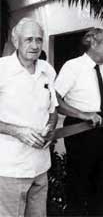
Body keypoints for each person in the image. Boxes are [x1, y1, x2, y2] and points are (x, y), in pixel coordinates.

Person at [54, 28, 103, 216]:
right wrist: (83, 115)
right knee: (78, 186)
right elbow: (55, 100)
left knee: (100, 187)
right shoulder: (73, 66)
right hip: (80, 130)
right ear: (92, 43)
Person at [0, 18, 58, 217]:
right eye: (29, 39)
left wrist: (50, 128)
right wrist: (16, 131)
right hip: (10, 168)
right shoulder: (2, 69)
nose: (35, 46)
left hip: (40, 167)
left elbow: (53, 110)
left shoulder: (47, 70)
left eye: (39, 40)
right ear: (16, 41)